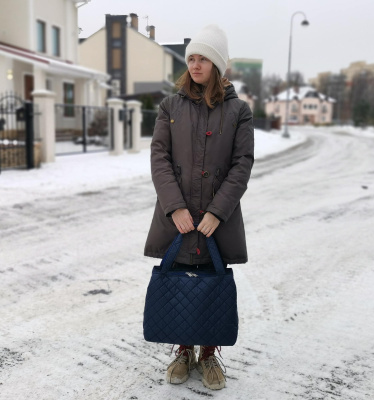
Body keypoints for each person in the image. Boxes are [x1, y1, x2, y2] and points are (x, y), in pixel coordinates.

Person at [144, 24, 254, 390]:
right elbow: (159, 157)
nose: (194, 65)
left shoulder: (239, 111)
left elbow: (242, 164)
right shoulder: (170, 107)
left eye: (203, 58)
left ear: (218, 64)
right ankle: (183, 350)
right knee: (179, 280)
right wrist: (174, 207)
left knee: (210, 282)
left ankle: (208, 353)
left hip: (216, 219)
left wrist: (217, 212)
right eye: (191, 58)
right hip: (177, 215)